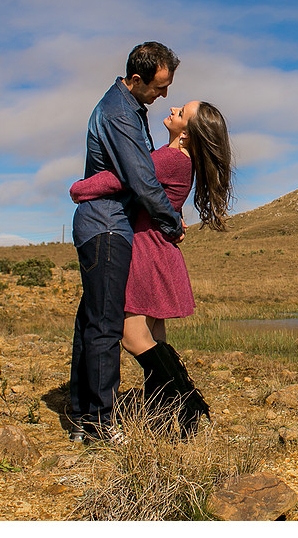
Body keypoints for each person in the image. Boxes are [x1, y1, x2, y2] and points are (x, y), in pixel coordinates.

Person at [70, 100, 232, 438]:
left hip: (147, 250)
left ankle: (186, 400)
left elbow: (124, 178)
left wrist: (79, 188)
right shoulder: (180, 159)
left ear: (186, 133)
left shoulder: (171, 158)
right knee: (155, 337)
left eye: (181, 112)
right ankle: (168, 418)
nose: (173, 109)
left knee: (131, 336)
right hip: (160, 250)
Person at [69, 42, 185, 443]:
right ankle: (100, 425)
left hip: (99, 224)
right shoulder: (120, 114)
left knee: (90, 320)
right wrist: (172, 222)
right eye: (159, 87)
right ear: (136, 80)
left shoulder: (127, 108)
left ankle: (83, 414)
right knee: (104, 324)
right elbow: (141, 178)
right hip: (107, 226)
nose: (164, 95)